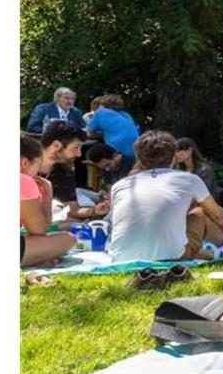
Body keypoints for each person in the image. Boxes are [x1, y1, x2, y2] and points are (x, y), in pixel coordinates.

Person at [108, 131, 223, 262]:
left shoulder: (120, 185)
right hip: (171, 255)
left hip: (120, 256)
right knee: (200, 212)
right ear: (173, 158)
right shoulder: (189, 180)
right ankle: (216, 249)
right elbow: (218, 216)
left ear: (140, 160)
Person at [20, 134, 76, 267]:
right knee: (68, 238)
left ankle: (37, 259)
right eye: (37, 167)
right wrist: (47, 194)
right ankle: (38, 259)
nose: (37, 174)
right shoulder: (24, 180)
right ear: (25, 163)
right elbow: (39, 230)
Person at [40, 120, 110, 224]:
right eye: (76, 147)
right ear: (56, 145)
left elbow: (71, 208)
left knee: (75, 224)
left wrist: (94, 211)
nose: (79, 154)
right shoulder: (24, 162)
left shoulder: (64, 172)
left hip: (42, 219)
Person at [85, 94, 140, 177]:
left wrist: (101, 135)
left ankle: (107, 184)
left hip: (116, 150)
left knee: (101, 156)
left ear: (102, 105)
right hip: (136, 151)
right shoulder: (126, 115)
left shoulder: (101, 113)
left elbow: (88, 133)